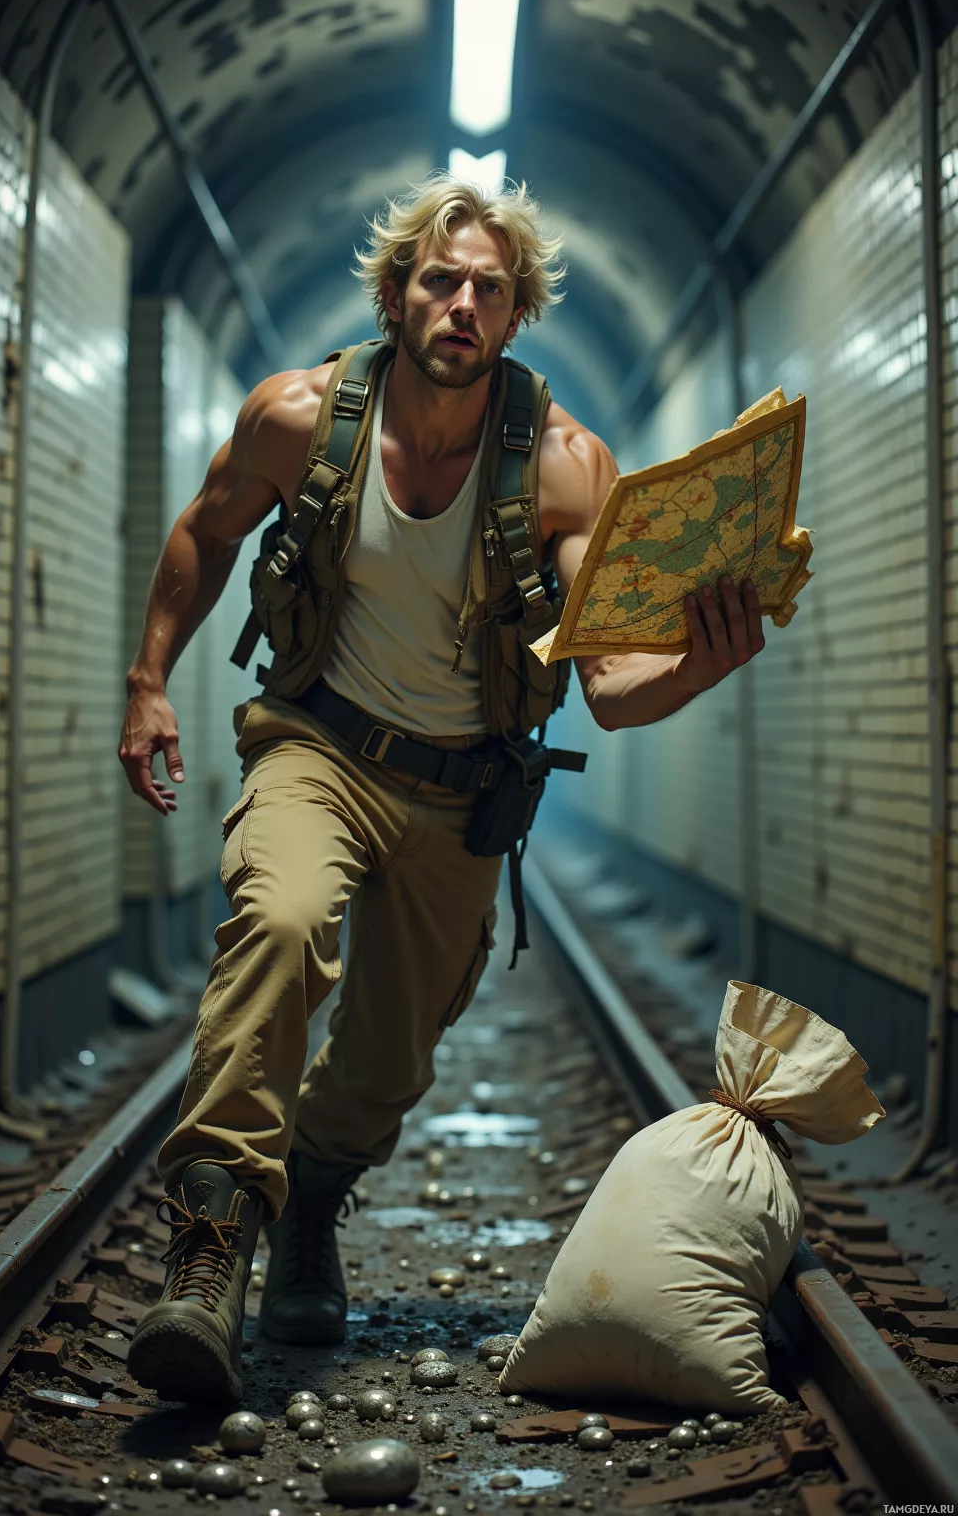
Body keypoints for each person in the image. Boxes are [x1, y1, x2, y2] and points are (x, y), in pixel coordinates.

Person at [117, 175, 765, 1404]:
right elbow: (204, 533)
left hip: (461, 788)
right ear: (397, 294)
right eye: (439, 280)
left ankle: (308, 1201)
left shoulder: (570, 471)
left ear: (517, 316)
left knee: (386, 1055)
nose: (461, 304)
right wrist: (150, 678)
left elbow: (614, 683)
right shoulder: (299, 418)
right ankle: (208, 1252)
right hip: (319, 745)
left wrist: (696, 663)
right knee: (285, 921)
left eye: (488, 289)